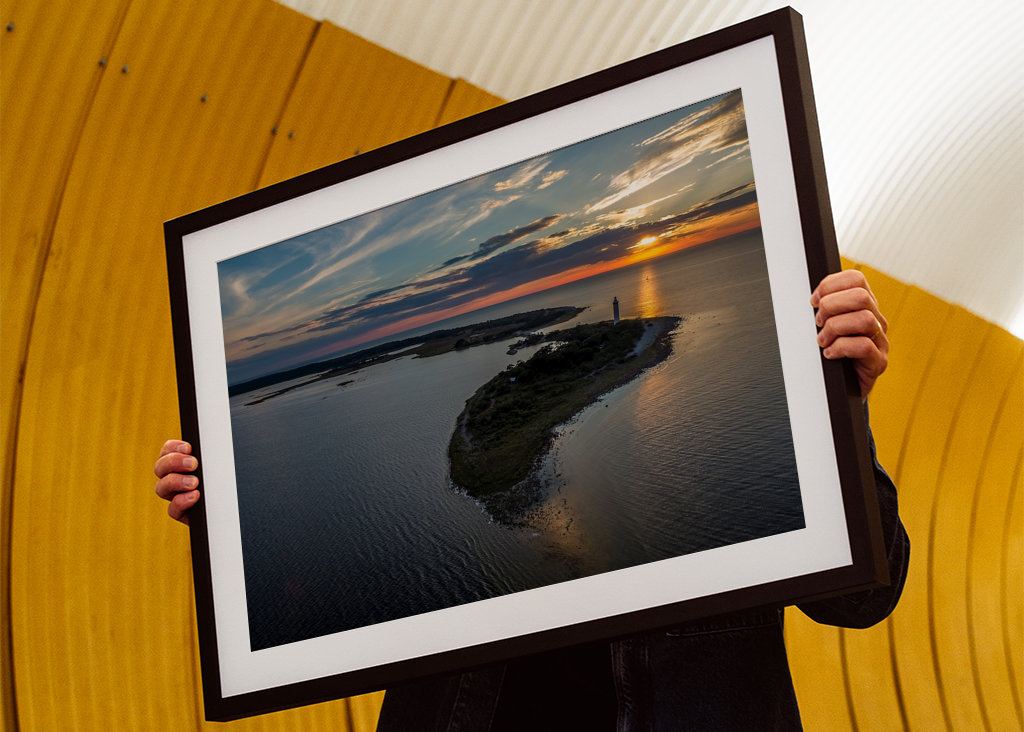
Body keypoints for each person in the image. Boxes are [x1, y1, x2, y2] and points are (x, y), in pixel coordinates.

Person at [155, 270, 908, 730]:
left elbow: (864, 598)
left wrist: (841, 406)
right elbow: (322, 589)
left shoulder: (777, 390)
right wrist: (231, 512)